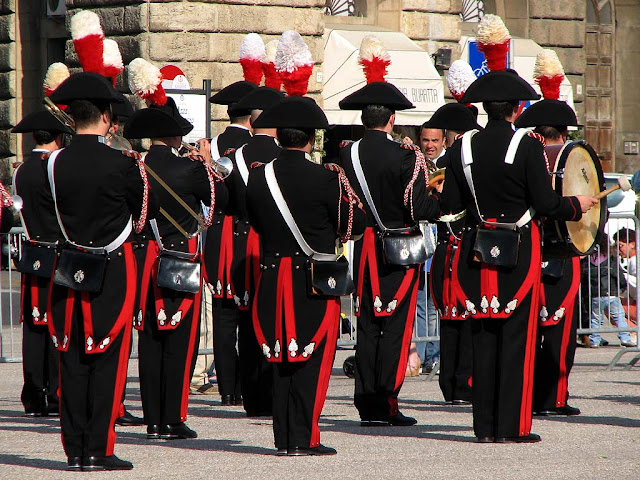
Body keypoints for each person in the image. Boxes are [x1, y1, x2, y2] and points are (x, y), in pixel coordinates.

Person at [439, 70, 598, 443]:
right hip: (519, 254)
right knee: (516, 340)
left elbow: (449, 205)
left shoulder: (462, 147)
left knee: (483, 337)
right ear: (515, 109)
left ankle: (484, 428)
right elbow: (545, 203)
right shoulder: (527, 147)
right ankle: (511, 427)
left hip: (476, 251)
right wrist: (577, 205)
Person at [46, 72, 155, 470]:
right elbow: (143, 218)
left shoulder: (53, 161)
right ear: (107, 115)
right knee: (107, 358)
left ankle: (74, 449)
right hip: (112, 266)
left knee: (71, 358)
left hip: (68, 264)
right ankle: (99, 448)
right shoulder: (124, 163)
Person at [246, 96, 366, 455]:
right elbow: (352, 226)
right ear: (310, 139)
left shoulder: (258, 177)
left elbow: (255, 221)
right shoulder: (325, 178)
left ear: (280, 137)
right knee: (312, 358)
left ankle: (283, 438)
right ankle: (304, 437)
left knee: (280, 358)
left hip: (271, 275)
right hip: (313, 278)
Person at [338, 81, 443, 427]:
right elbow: (417, 208)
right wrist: (440, 198)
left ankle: (366, 403)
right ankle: (387, 403)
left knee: (367, 325)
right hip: (398, 248)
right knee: (395, 327)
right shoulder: (406, 155)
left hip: (364, 248)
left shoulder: (347, 154)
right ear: (392, 119)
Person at [124, 98, 228, 440]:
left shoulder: (134, 167)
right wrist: (207, 164)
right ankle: (172, 418)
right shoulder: (192, 168)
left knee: (150, 340)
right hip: (181, 258)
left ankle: (152, 418)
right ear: (172, 137)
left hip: (143, 260)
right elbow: (222, 202)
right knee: (181, 341)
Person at [213, 86, 284, 417]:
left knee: (238, 319)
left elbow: (222, 204)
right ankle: (272, 393)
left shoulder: (229, 157)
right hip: (277, 247)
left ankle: (245, 393)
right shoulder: (285, 154)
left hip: (240, 242)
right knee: (272, 320)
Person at [514, 96, 583, 416]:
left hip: (526, 252)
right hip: (559, 251)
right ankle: (553, 397)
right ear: (562, 136)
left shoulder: (521, 158)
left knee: (528, 330)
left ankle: (525, 395)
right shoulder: (570, 163)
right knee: (559, 330)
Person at [11, 110, 71, 417]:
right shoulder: (57, 167)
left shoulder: (21, 171)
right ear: (58, 137)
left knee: (34, 327)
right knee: (56, 324)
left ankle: (32, 393)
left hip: (32, 251)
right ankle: (54, 392)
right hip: (59, 253)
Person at [200, 80, 257, 404]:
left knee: (223, 315)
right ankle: (248, 382)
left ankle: (227, 388)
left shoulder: (214, 144)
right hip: (247, 233)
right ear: (252, 117)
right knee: (247, 314)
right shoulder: (256, 147)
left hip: (220, 233)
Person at [425, 103, 479, 405]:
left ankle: (454, 383)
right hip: (457, 245)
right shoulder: (456, 162)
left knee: (453, 319)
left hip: (451, 247)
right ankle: (460, 382)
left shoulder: (451, 160)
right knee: (460, 317)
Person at [581, 237, 636, 348]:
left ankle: (594, 340)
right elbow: (619, 275)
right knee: (619, 317)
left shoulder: (587, 261)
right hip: (611, 294)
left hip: (595, 295)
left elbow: (583, 278)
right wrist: (623, 287)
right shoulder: (611, 260)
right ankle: (625, 338)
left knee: (595, 319)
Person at [614, 228, 638, 336]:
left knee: (609, 306)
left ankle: (633, 332)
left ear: (632, 244)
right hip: (635, 302)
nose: (619, 250)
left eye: (621, 246)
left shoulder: (635, 261)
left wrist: (621, 275)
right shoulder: (633, 260)